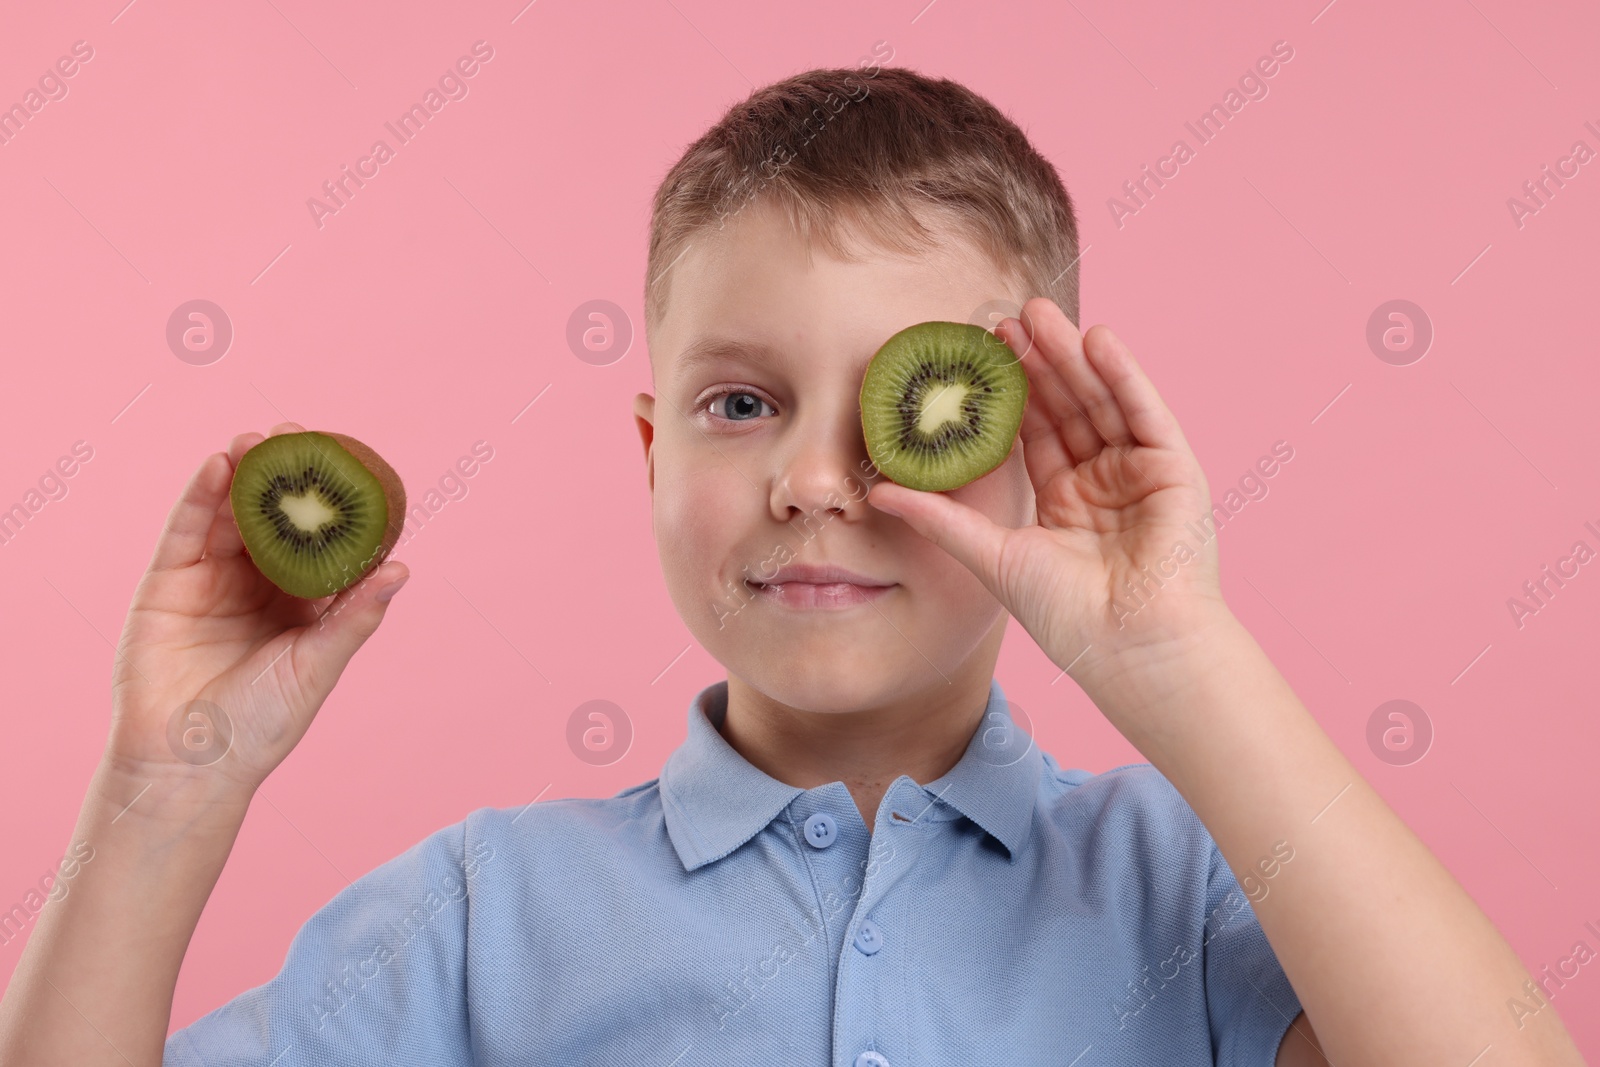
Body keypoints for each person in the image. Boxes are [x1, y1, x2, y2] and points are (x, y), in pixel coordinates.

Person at [0, 65, 1583, 1066]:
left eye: (904, 408)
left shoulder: (1194, 888)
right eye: (742, 403)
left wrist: (1177, 651)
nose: (815, 479)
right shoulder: (485, 918)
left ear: (1028, 447)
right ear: (653, 453)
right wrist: (164, 789)